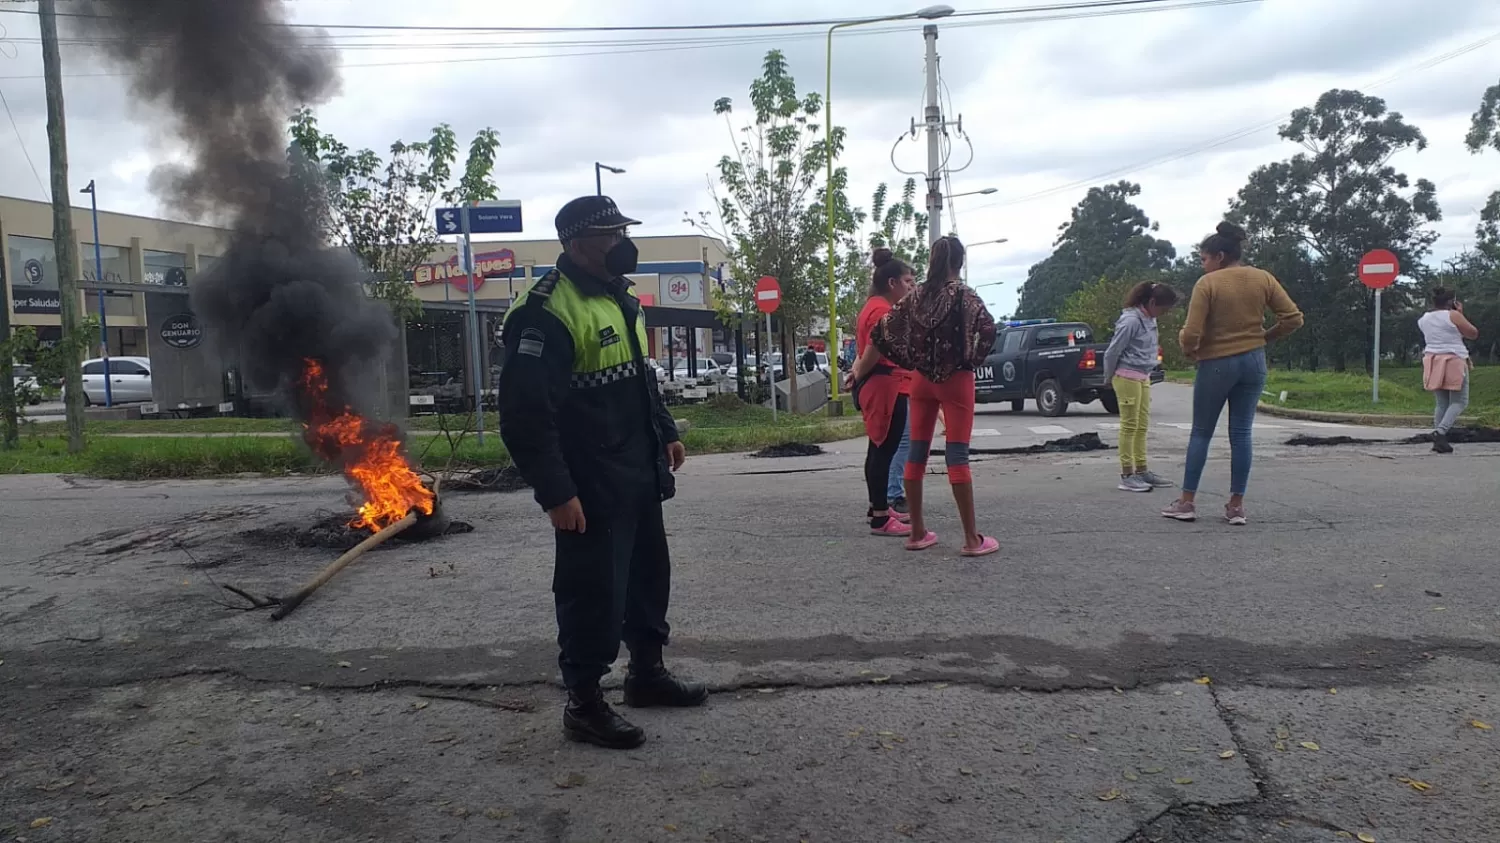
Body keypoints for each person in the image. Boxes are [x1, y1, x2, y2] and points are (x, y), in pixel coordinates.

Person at [497, 195, 706, 750]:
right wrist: (556, 492)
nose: (620, 244)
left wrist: (665, 430)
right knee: (592, 591)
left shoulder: (620, 298)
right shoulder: (545, 312)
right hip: (588, 481)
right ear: (573, 243)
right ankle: (584, 703)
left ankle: (647, 674)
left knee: (645, 576)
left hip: (635, 468)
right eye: (607, 235)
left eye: (621, 232)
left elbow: (641, 376)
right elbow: (524, 418)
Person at [1162, 222, 1303, 526]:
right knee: (1241, 434)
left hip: (1216, 363)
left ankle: (1187, 502)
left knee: (1201, 431)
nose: (1203, 265)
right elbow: (1293, 318)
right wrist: (1264, 337)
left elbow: (1192, 333)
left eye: (1204, 259)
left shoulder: (1208, 284)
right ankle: (1236, 506)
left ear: (1220, 256)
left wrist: (1190, 350)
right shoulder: (1263, 278)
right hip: (1253, 362)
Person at [872, 235, 999, 556]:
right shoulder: (965, 296)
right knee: (957, 455)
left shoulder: (916, 297)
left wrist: (910, 359)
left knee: (916, 453)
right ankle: (971, 539)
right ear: (960, 262)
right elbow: (987, 329)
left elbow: (882, 331)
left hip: (920, 381)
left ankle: (917, 532)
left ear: (932, 260)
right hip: (956, 380)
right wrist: (972, 358)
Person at [847, 248, 916, 537]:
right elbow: (875, 347)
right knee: (883, 450)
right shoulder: (882, 311)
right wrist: (860, 373)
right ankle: (880, 517)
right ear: (892, 283)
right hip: (886, 384)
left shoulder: (872, 306)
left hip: (883, 383)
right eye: (908, 282)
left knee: (878, 449)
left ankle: (879, 509)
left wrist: (858, 372)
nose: (911, 288)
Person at [1102, 281, 1180, 493]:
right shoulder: (1130, 321)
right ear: (1152, 302)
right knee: (1129, 426)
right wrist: (1108, 377)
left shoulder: (1150, 318)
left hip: (1143, 375)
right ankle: (1127, 474)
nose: (1164, 313)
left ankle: (1142, 470)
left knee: (1142, 425)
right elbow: (1112, 351)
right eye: (1163, 308)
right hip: (1127, 376)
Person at [1419, 287, 1479, 454]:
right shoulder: (1453, 315)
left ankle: (1439, 440)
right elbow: (1473, 333)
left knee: (1442, 402)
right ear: (1450, 302)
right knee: (1460, 401)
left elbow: (1444, 334)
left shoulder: (1424, 319)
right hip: (1454, 359)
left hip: (1433, 360)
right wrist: (1460, 313)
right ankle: (1440, 432)